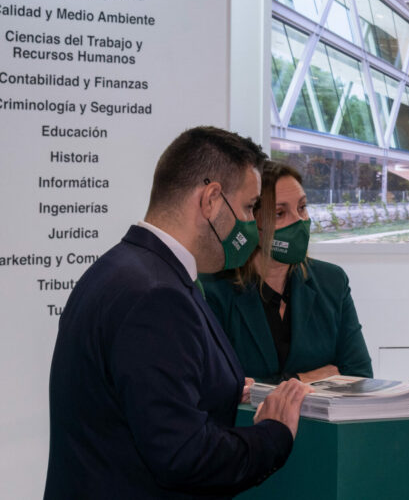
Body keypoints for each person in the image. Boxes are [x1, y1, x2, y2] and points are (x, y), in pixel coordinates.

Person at [45, 127, 311, 499]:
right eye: (249, 207)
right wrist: (273, 433)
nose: (252, 225)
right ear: (212, 200)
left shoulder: (121, 268)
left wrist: (217, 388)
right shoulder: (157, 296)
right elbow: (184, 456)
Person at [201, 161, 373, 384]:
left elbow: (359, 377)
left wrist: (264, 384)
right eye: (280, 213)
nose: (299, 221)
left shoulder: (332, 281)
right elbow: (218, 388)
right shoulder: (213, 290)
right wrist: (300, 380)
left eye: (302, 207)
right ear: (248, 219)